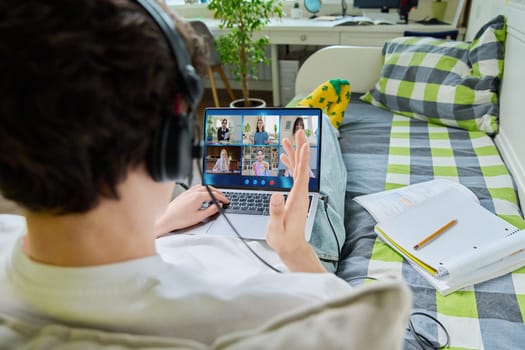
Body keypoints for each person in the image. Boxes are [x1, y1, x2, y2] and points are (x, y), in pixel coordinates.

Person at [0, 0, 353, 345]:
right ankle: (323, 120)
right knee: (312, 157)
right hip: (277, 255)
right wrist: (297, 253)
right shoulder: (272, 321)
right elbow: (358, 332)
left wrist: (161, 224)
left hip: (177, 231)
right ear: (170, 147)